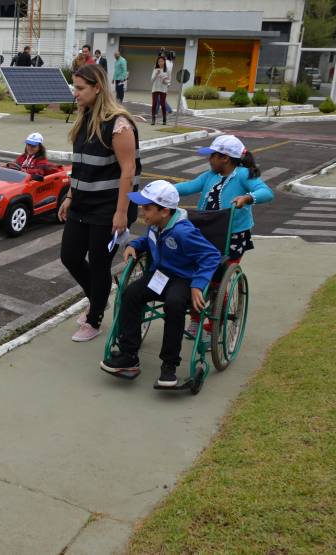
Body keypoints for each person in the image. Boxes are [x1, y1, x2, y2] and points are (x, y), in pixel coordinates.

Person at [100, 180, 221, 387]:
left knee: (174, 304)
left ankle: (169, 366)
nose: (141, 211)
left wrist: (198, 285)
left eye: (147, 208)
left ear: (164, 211)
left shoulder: (183, 232)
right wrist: (134, 245)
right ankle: (129, 355)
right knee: (130, 293)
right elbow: (150, 241)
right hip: (160, 276)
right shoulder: (156, 225)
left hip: (183, 279)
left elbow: (211, 255)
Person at [57, 63, 141, 342]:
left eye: (80, 88)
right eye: (74, 87)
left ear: (97, 88)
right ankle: (98, 297)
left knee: (98, 263)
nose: (75, 93)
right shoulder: (84, 118)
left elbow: (128, 171)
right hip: (82, 203)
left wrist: (121, 212)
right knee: (69, 255)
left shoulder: (119, 124)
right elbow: (79, 165)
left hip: (109, 208)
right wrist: (70, 196)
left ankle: (94, 320)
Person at [174, 135, 274, 336]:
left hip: (233, 236)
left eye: (212, 156)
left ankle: (214, 325)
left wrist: (247, 198)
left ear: (225, 158)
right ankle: (195, 320)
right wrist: (163, 190)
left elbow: (266, 192)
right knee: (196, 276)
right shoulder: (209, 176)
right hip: (205, 233)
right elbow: (187, 187)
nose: (208, 159)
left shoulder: (244, 175)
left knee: (218, 281)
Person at [151, 55, 170, 125]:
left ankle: (164, 119)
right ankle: (153, 119)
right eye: (159, 61)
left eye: (162, 61)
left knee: (163, 104)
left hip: (163, 89)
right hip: (155, 88)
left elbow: (169, 81)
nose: (160, 62)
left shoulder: (167, 70)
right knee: (154, 104)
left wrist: (165, 81)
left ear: (164, 62)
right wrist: (156, 74)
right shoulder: (155, 69)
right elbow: (151, 80)